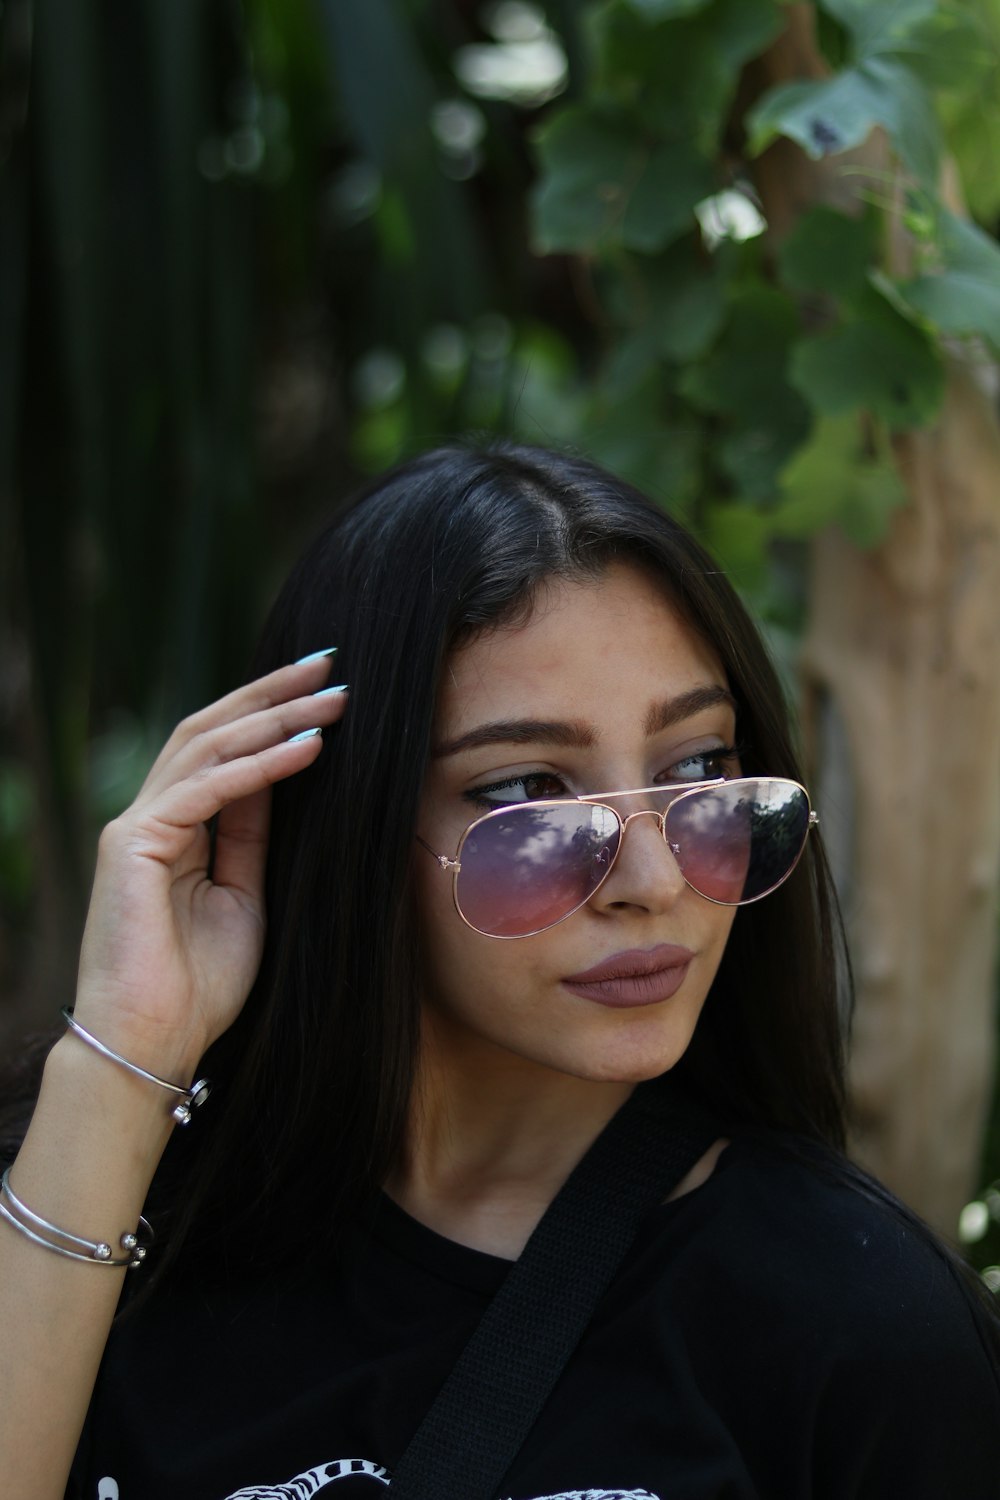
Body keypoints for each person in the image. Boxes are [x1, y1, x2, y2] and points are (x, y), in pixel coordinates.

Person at [1, 442, 998, 1500]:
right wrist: (124, 1052)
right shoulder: (105, 1222)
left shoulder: (857, 1323)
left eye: (698, 766)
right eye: (528, 789)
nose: (652, 878)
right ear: (353, 830)